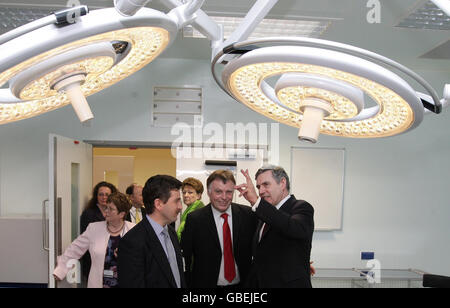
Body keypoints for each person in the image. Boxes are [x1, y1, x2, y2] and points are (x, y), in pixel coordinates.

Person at [235, 165, 315, 288]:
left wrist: (256, 201)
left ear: (282, 183)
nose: (261, 191)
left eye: (266, 185)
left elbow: (292, 227)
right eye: (258, 187)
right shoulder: (263, 214)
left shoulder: (302, 207)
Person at [181, 170, 257, 288]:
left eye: (229, 192)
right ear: (209, 192)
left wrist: (255, 200)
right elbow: (186, 257)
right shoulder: (195, 219)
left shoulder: (247, 215)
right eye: (218, 192)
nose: (224, 197)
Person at [53, 192, 134, 288]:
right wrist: (60, 270)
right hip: (98, 283)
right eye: (106, 207)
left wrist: (127, 254)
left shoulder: (133, 230)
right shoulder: (94, 228)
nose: (106, 211)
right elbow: (74, 249)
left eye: (111, 209)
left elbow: (144, 256)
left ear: (121, 214)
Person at [117, 175, 186, 288]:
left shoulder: (171, 233)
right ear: (158, 204)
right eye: (176, 201)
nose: (180, 207)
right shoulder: (132, 242)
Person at [79, 181, 117, 285]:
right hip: (93, 260)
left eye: (107, 194)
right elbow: (84, 240)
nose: (104, 197)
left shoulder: (117, 212)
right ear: (96, 196)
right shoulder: (89, 214)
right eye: (101, 194)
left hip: (112, 261)